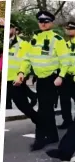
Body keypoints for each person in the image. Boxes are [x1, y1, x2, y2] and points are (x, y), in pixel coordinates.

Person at [16, 10, 70, 151]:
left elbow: (66, 60)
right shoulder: (34, 39)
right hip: (40, 79)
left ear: (51, 23)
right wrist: (22, 72)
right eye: (41, 21)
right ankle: (52, 136)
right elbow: (27, 59)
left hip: (52, 79)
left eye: (46, 21)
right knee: (47, 110)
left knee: (43, 110)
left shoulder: (57, 39)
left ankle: (39, 140)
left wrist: (61, 76)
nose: (43, 24)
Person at [7, 22, 39, 123]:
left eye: (9, 28)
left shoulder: (23, 44)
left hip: (14, 80)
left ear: (14, 29)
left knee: (22, 106)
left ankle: (41, 122)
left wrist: (21, 75)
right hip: (0, 79)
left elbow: (26, 62)